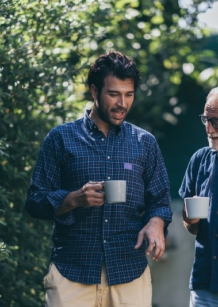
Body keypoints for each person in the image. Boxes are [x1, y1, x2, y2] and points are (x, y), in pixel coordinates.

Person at [25, 51, 172, 307]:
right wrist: (73, 199)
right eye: (114, 94)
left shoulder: (144, 143)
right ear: (94, 91)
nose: (122, 103)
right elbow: (35, 201)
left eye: (129, 95)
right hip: (72, 273)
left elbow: (160, 200)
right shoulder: (61, 139)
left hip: (129, 271)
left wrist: (157, 222)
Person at [179, 87, 218, 307]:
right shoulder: (199, 160)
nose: (209, 129)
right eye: (206, 120)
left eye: (217, 122)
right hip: (204, 285)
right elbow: (192, 227)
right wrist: (190, 218)